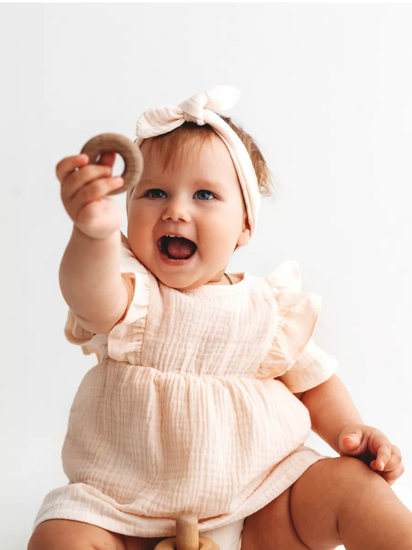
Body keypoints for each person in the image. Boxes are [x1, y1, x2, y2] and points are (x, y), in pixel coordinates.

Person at [28, 86, 412, 550]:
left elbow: (314, 383)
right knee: (60, 535)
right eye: (154, 192)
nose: (175, 210)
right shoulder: (133, 292)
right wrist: (92, 235)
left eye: (205, 194)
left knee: (354, 487)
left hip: (258, 503)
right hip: (123, 513)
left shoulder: (269, 309)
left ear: (245, 225)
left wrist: (350, 431)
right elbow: (89, 295)